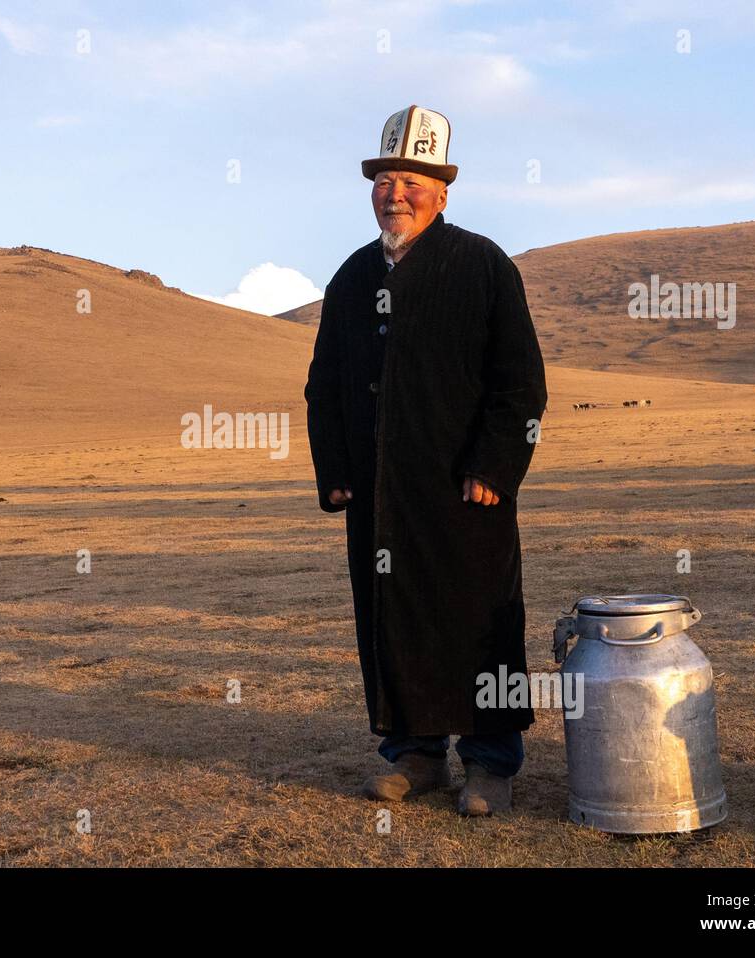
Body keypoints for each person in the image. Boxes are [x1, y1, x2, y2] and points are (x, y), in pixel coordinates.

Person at [304, 105, 548, 816]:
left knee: (478, 620)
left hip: (464, 493)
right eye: (384, 179)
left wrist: (495, 469)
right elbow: (324, 385)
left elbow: (521, 384)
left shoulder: (482, 265)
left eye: (410, 180)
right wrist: (338, 471)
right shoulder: (351, 278)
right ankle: (413, 753)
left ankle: (490, 762)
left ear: (442, 191)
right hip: (381, 497)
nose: (394, 193)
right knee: (392, 618)